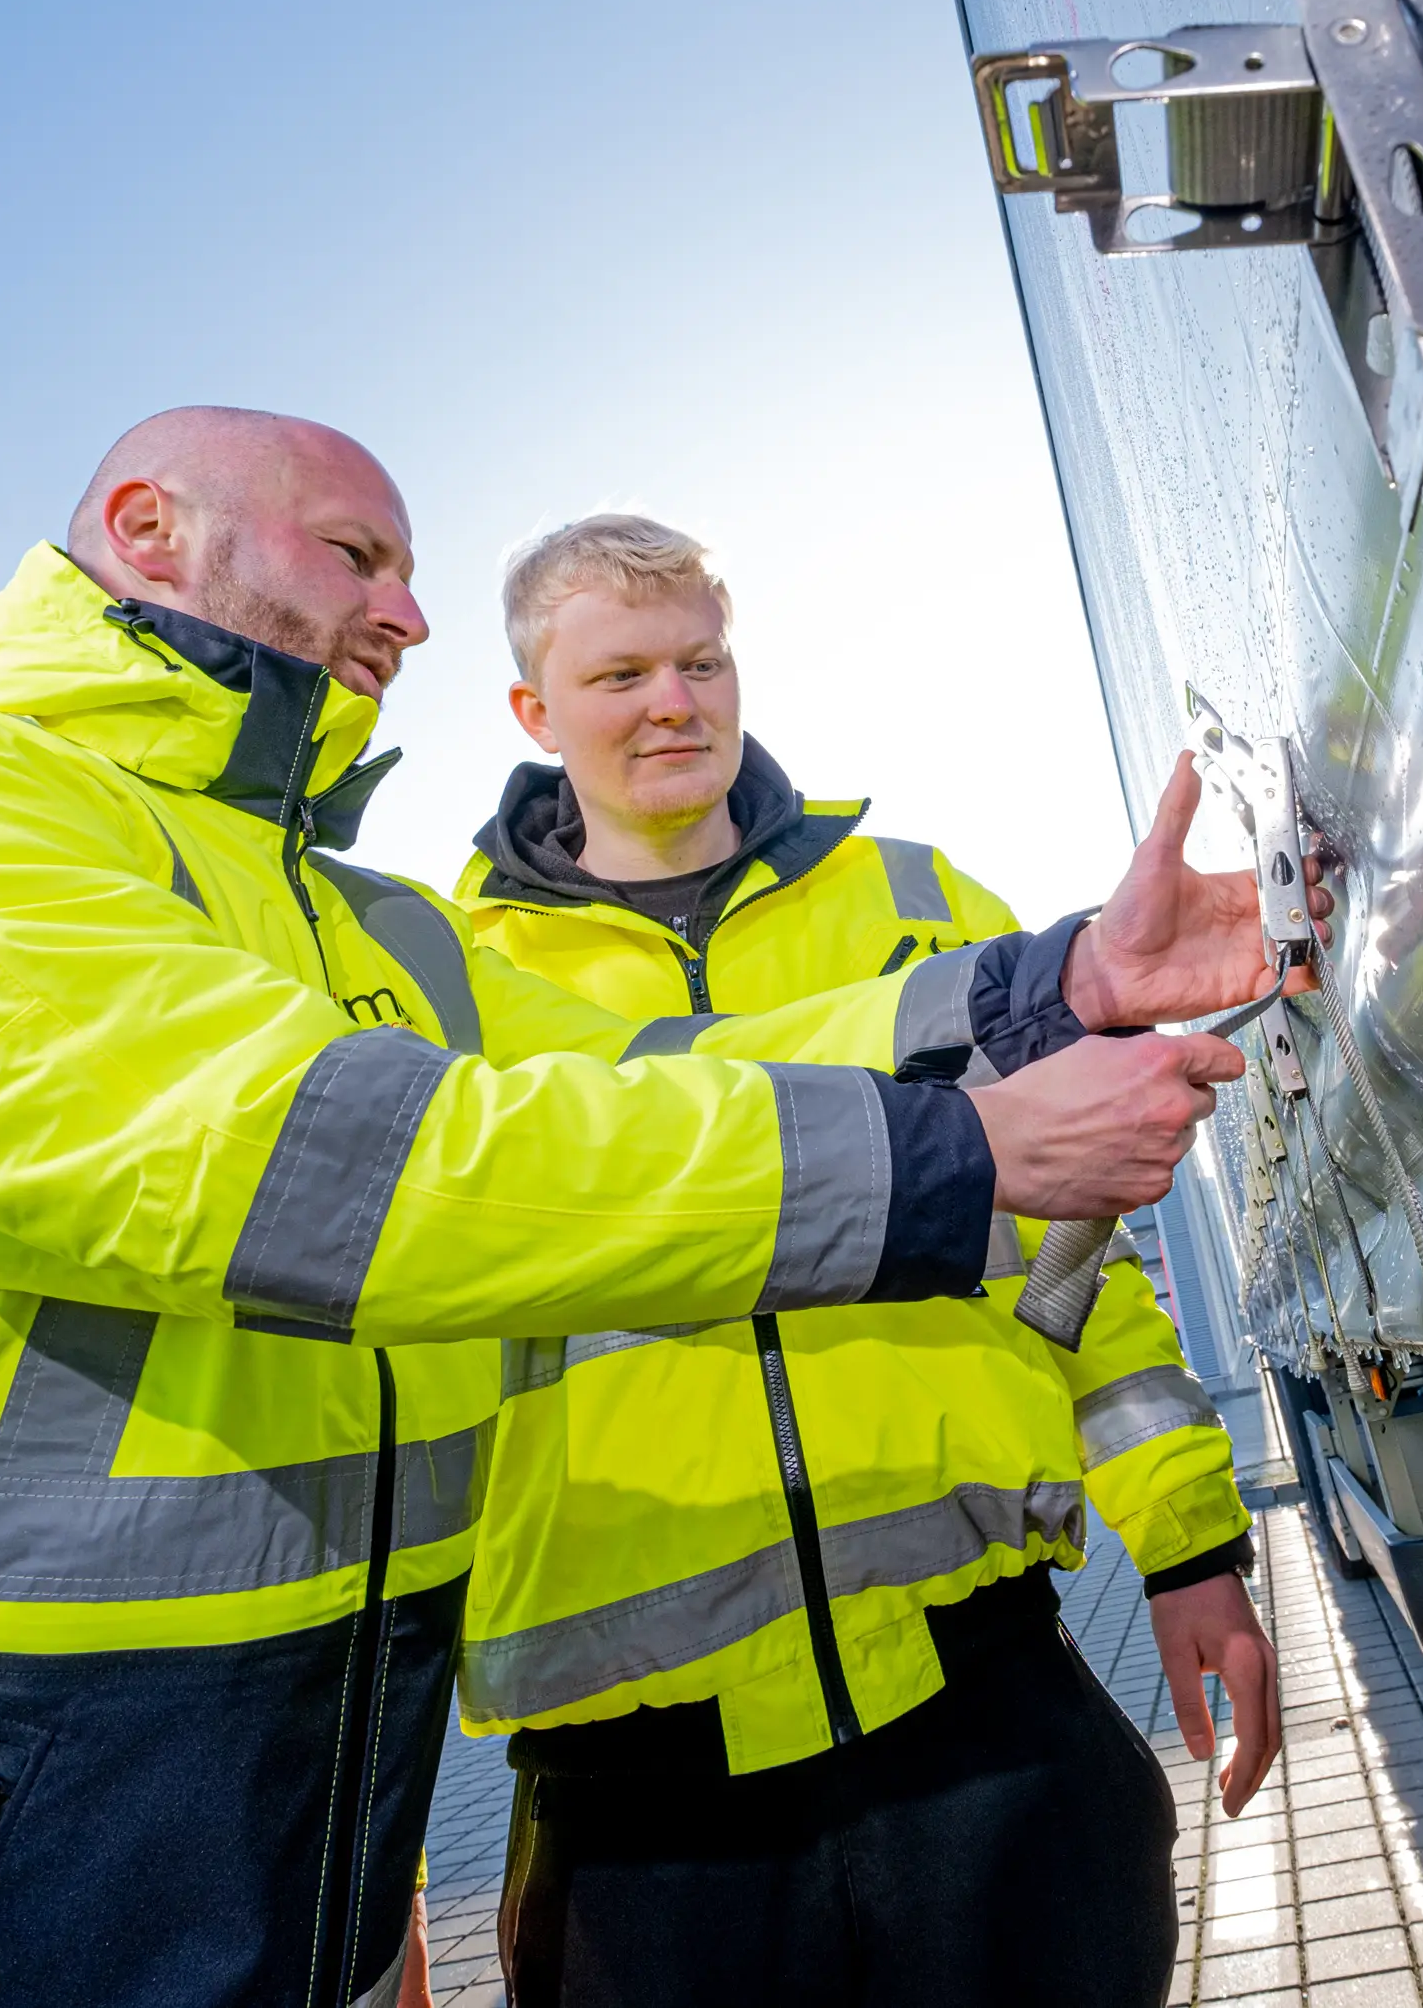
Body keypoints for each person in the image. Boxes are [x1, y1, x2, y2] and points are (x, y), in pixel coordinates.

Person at [0, 409, 1302, 2008]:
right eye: (360, 554)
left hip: (196, 1862)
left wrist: (1050, 989)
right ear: (146, 525)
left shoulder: (361, 927)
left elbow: (657, 1079)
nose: (407, 612)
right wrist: (961, 1156)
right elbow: (321, 1170)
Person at [451, 515, 1284, 2008]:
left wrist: (1188, 1544)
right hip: (643, 1794)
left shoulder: (917, 907)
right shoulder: (452, 980)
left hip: (987, 1705)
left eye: (700, 659)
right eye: (620, 671)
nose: (673, 701)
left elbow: (1075, 1257)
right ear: (532, 710)